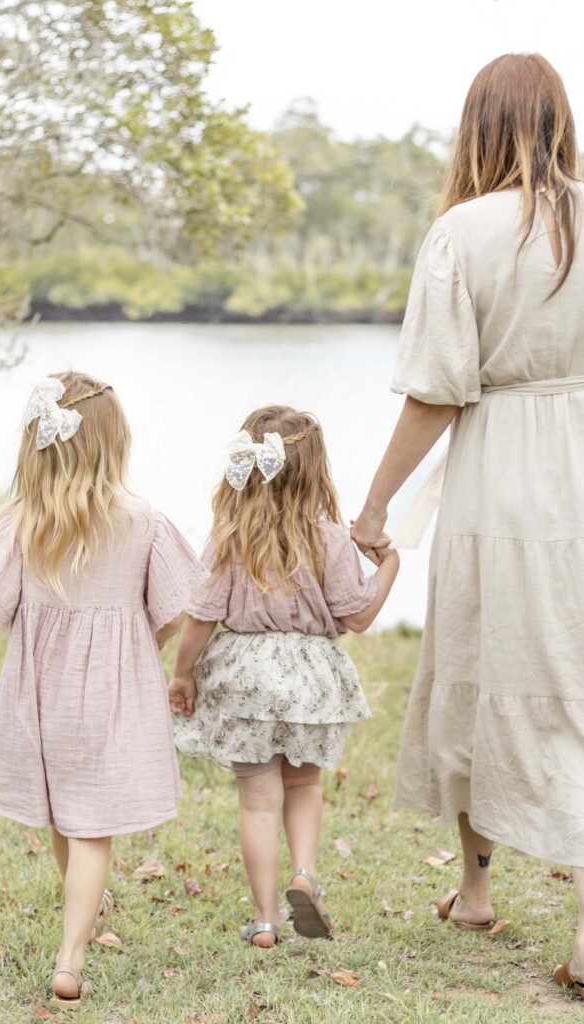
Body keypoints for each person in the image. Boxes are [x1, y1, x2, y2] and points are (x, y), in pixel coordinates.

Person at [351, 54, 584, 997]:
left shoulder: (462, 230)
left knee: (489, 667)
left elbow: (435, 393)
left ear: (477, 126)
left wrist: (371, 511)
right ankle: (475, 890)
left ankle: (483, 888)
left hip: (503, 478)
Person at [0, 372, 204, 1007]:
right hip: (112, 695)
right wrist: (143, 642)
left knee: (67, 811)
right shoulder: (143, 522)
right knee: (91, 823)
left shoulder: (22, 523)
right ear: (113, 445)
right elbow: (180, 604)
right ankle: (71, 956)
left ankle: (82, 911)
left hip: (41, 697)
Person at [168, 405, 399, 948]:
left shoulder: (230, 537)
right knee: (304, 784)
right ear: (315, 472)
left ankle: (267, 920)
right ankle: (306, 875)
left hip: (246, 680)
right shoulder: (329, 540)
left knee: (257, 801)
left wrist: (183, 675)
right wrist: (390, 566)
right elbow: (358, 616)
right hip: (311, 682)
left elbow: (201, 617)